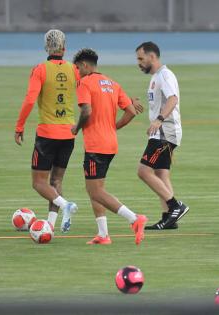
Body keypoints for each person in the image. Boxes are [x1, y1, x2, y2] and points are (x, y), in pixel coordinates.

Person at [71, 48, 147, 245]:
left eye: (78, 68)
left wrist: (76, 128)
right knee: (96, 189)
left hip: (96, 145)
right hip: (110, 143)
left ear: (85, 66)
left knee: (95, 191)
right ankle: (103, 234)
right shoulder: (112, 84)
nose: (77, 72)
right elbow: (130, 111)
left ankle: (134, 219)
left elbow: (86, 111)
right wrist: (113, 128)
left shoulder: (84, 83)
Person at [14, 29, 78, 233]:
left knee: (39, 182)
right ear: (64, 48)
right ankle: (50, 224)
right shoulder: (74, 70)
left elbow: (30, 100)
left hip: (47, 135)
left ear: (46, 48)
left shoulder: (40, 70)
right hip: (69, 134)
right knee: (56, 180)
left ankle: (64, 204)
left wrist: (19, 126)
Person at [135, 42, 189, 230]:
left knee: (143, 171)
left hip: (165, 132)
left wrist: (159, 119)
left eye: (141, 59)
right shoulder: (156, 77)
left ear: (152, 56)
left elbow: (173, 99)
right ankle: (169, 218)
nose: (139, 63)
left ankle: (175, 206)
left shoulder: (165, 75)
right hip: (160, 132)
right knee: (161, 173)